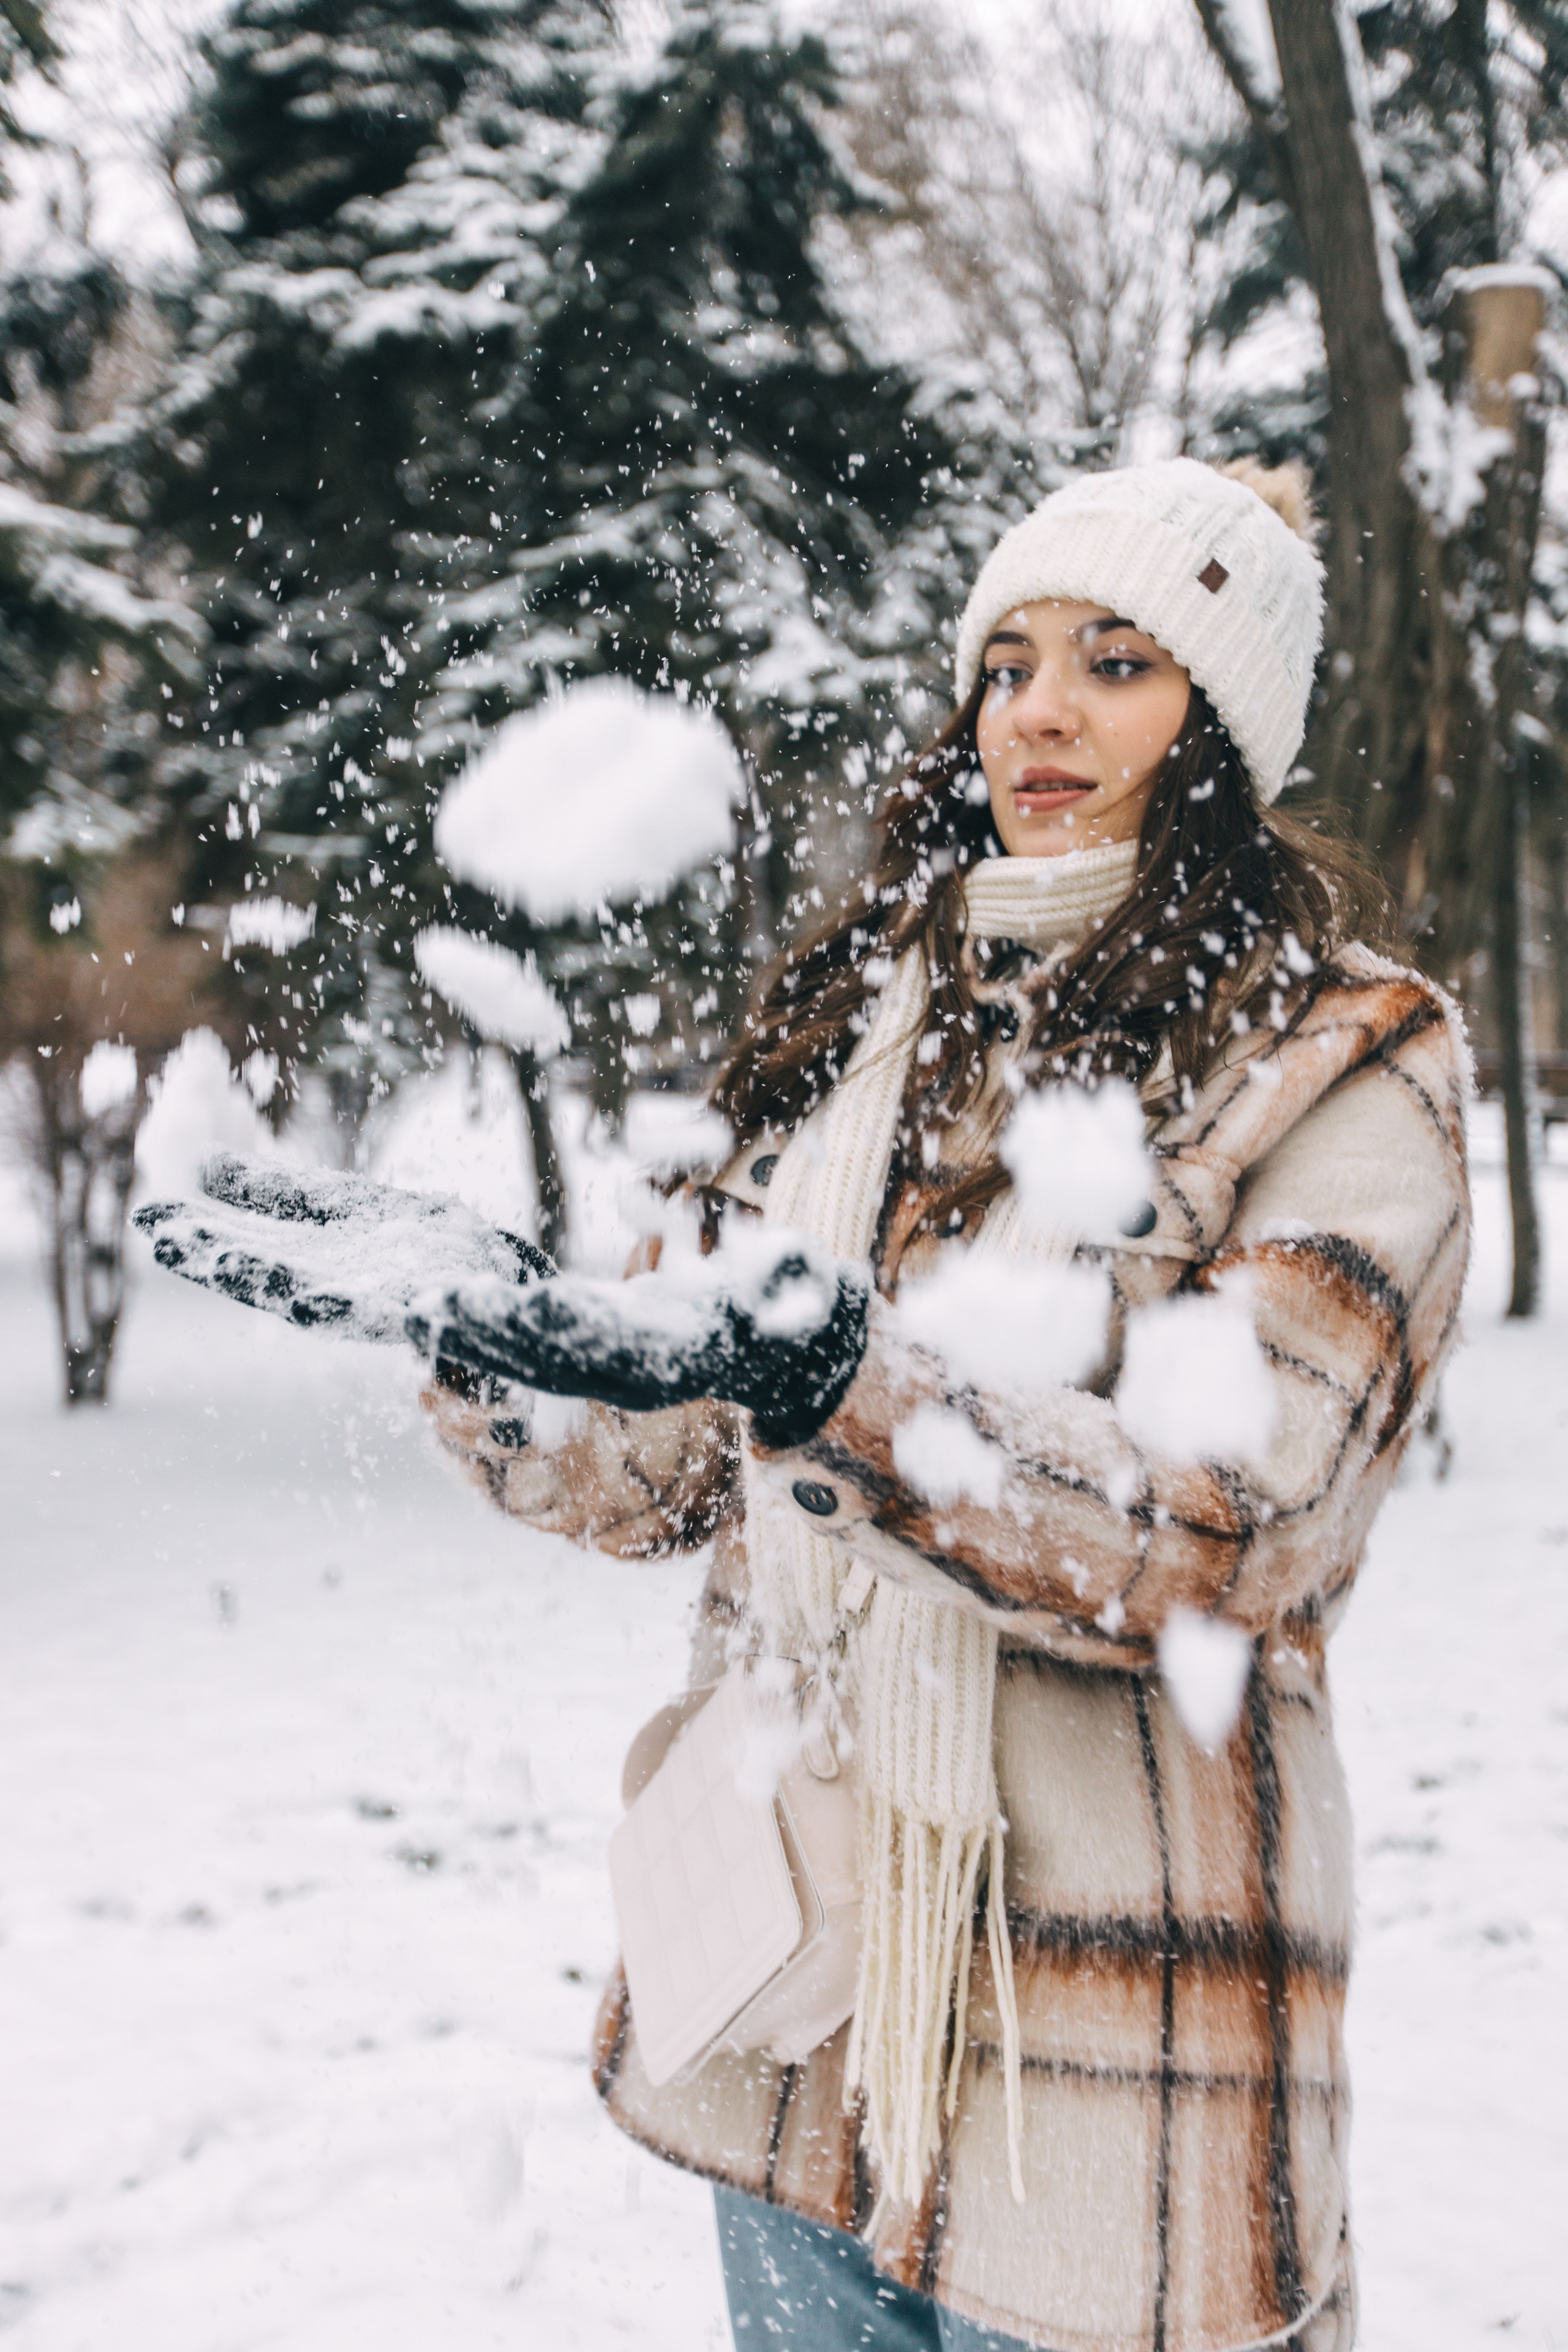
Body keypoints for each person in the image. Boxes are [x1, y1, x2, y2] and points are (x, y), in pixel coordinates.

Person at [140, 458, 1472, 2352]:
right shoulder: (867, 1025)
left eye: (1119, 661)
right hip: (805, 2014)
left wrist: (845, 1384)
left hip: (1112, 2060)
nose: (1044, 710)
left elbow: (1235, 1522)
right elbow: (682, 1463)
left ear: (1226, 717)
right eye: (1008, 662)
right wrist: (494, 1334)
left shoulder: (1343, 1062)